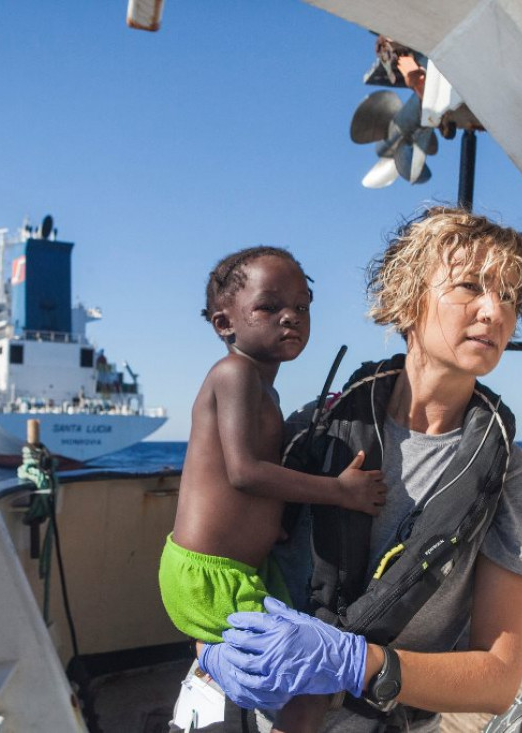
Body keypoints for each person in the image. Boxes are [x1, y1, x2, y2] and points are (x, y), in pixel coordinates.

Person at [197, 207, 522, 733]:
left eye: (508, 297)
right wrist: (209, 650)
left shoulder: (511, 476)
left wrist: (355, 662)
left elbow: (499, 678)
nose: (493, 311)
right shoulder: (316, 431)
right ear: (408, 298)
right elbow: (211, 555)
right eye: (469, 287)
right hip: (246, 710)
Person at [159, 246, 389, 732]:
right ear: (225, 324)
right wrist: (340, 491)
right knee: (313, 680)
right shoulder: (234, 374)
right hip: (209, 575)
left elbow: (249, 486)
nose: (292, 318)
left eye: (303, 307)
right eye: (269, 307)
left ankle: (220, 666)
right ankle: (222, 667)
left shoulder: (266, 389)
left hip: (242, 569)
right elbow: (244, 471)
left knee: (310, 640)